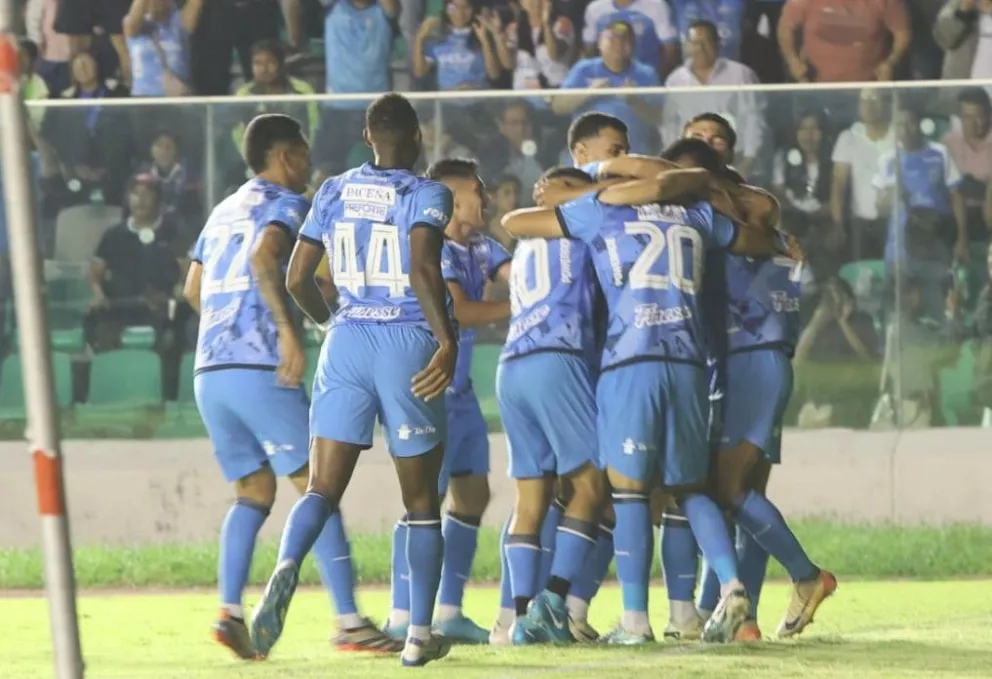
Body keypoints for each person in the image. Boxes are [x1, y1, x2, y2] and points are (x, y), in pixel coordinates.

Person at [501, 139, 783, 645]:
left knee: (629, 493)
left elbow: (517, 223)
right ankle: (734, 586)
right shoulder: (694, 213)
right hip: (690, 364)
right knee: (690, 487)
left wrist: (585, 192)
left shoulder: (597, 212)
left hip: (631, 360)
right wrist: (780, 240)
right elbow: (756, 241)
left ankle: (633, 621)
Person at [250, 94, 458, 668]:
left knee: (321, 489)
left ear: (368, 135)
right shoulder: (428, 193)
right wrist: (447, 340)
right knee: (420, 503)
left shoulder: (333, 189)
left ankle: (287, 564)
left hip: (346, 340)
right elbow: (421, 270)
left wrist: (329, 323)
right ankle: (417, 637)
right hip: (406, 343)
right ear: (416, 138)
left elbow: (297, 278)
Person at [183, 114, 398, 660]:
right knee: (319, 489)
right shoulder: (284, 204)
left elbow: (193, 289)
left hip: (210, 372)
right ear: (283, 158)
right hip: (260, 368)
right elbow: (264, 257)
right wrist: (285, 331)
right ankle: (349, 621)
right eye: (301, 154)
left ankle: (229, 610)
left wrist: (225, 326)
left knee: (253, 493)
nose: (307, 164)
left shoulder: (222, 209)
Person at [490, 111, 631, 647]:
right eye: (610, 152)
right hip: (558, 357)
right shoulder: (589, 220)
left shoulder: (528, 240)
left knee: (532, 499)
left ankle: (518, 619)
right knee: (595, 485)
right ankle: (556, 603)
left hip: (514, 364)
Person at [383, 158, 511, 645]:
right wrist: (526, 305)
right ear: (454, 200)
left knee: (473, 495)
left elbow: (514, 272)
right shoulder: (430, 246)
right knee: (424, 501)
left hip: (459, 394)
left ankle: (450, 610)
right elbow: (460, 309)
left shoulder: (481, 245)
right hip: (426, 390)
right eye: (479, 191)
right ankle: (401, 612)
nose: (487, 198)